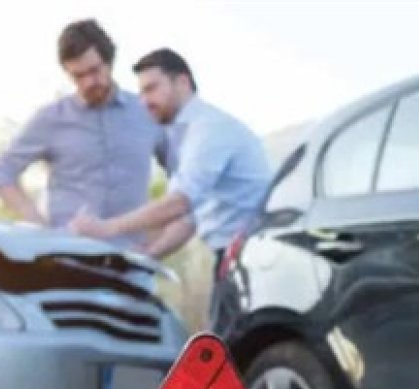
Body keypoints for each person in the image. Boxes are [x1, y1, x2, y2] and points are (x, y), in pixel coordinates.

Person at [69, 47, 271, 269]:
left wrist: (106, 228)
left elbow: (178, 203)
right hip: (236, 255)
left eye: (152, 89)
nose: (145, 101)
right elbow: (190, 217)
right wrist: (147, 255)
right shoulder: (189, 135)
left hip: (253, 256)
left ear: (182, 82)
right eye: (142, 93)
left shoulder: (209, 129)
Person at [0, 19, 163, 249]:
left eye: (94, 71)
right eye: (78, 76)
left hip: (132, 261)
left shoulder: (147, 112)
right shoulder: (51, 119)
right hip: (69, 258)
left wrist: (158, 240)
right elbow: (1, 174)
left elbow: (186, 179)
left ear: (109, 62)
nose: (89, 82)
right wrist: (40, 230)